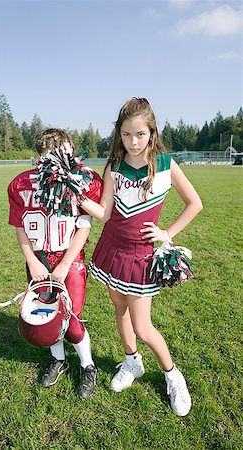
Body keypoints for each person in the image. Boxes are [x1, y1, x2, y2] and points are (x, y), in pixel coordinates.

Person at [80, 97, 203, 416]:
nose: (132, 142)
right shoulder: (114, 166)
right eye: (125, 135)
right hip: (112, 249)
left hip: (142, 257)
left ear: (152, 132)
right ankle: (132, 362)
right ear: (118, 134)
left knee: (144, 326)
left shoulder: (165, 164)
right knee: (119, 310)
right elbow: (105, 213)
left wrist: (167, 233)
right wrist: (77, 197)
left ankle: (173, 375)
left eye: (140, 135)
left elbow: (195, 203)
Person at [7, 128, 102, 398]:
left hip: (69, 260)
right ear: (39, 158)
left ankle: (88, 365)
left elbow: (84, 228)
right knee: (46, 317)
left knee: (71, 321)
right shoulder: (21, 184)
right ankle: (58, 360)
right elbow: (20, 227)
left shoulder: (81, 182)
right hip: (38, 260)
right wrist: (33, 262)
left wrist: (63, 265)